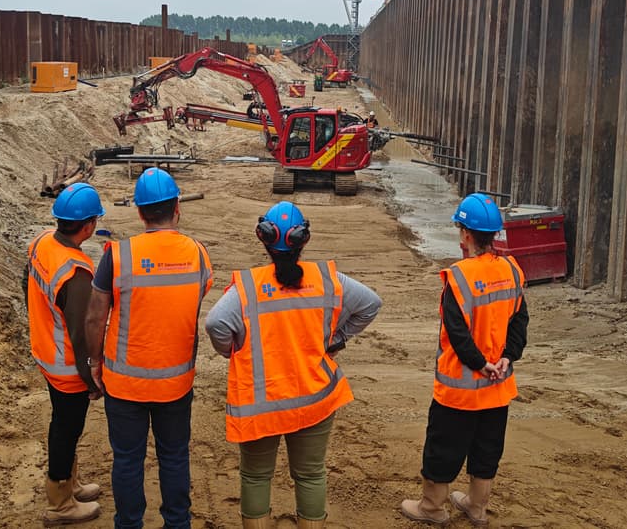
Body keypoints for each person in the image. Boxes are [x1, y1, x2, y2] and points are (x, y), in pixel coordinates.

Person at [205, 201, 382, 529]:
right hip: (313, 397)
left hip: (261, 402)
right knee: (311, 474)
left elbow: (216, 324)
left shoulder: (246, 287)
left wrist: (232, 350)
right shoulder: (326, 279)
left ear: (263, 240)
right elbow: (371, 304)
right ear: (304, 240)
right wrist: (337, 338)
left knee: (256, 477)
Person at [84, 168, 212, 529]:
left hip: (125, 385)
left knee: (127, 460)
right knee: (174, 457)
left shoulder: (117, 255)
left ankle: (129, 523)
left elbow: (95, 318)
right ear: (177, 208)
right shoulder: (198, 254)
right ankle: (177, 523)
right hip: (175, 383)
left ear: (140, 213)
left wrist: (96, 362)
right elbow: (193, 298)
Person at [400, 193, 528, 527]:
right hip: (497, 386)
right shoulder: (512, 272)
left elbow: (457, 334)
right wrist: (504, 360)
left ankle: (432, 507)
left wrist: (477, 363)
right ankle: (477, 506)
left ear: (465, 234)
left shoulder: (458, 277)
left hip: (459, 389)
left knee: (443, 447)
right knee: (487, 448)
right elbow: (519, 324)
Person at [26, 182, 106, 525]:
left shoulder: (42, 242)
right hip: (66, 368)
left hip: (46, 351)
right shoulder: (76, 273)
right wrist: (92, 379)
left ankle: (69, 484)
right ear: (87, 226)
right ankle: (60, 504)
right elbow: (81, 334)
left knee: (63, 425)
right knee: (66, 429)